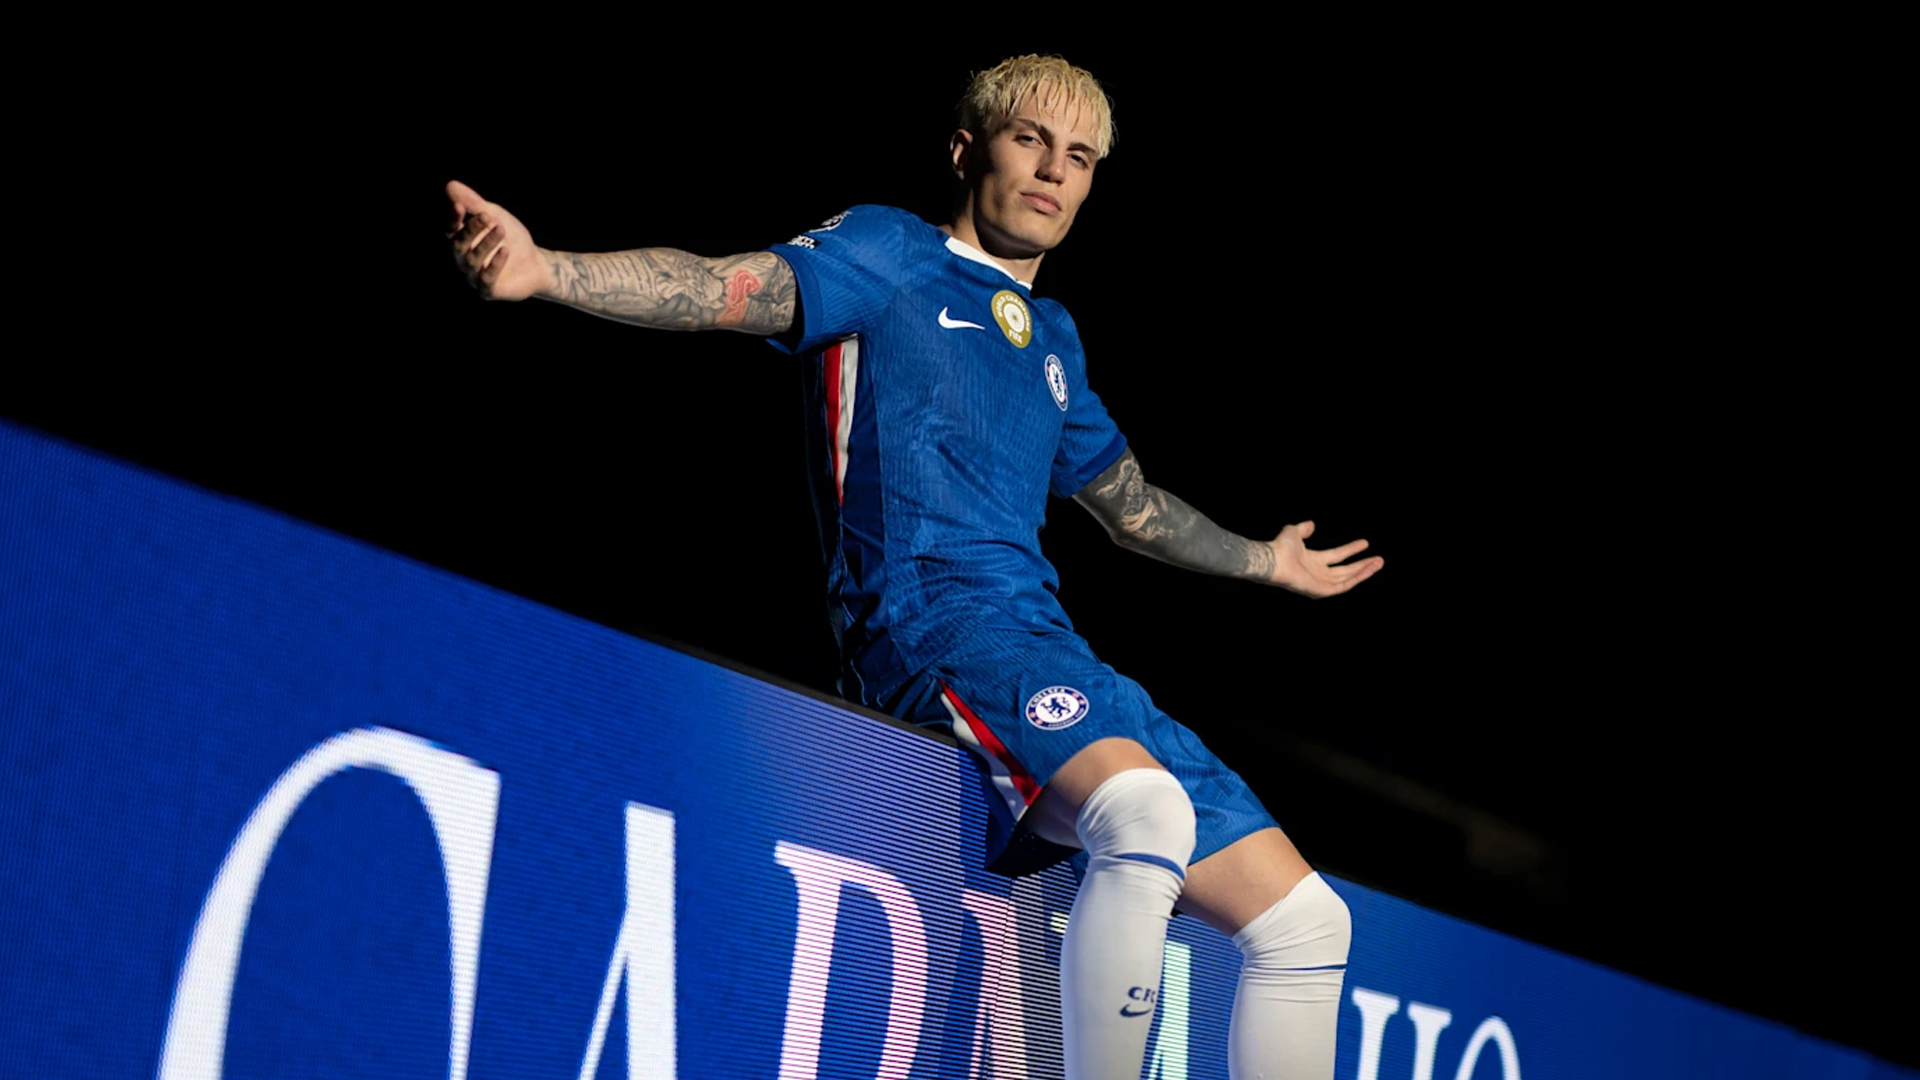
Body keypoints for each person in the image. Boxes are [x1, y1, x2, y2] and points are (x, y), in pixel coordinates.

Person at [447, 54, 1382, 1079]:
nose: (1054, 171)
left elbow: (1132, 508)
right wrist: (547, 270)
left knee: (1309, 922)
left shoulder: (1054, 336)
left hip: (1048, 647)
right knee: (1144, 810)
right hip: (933, 629)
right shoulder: (891, 250)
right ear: (966, 150)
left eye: (1079, 157)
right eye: (1030, 140)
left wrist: (1266, 562)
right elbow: (721, 286)